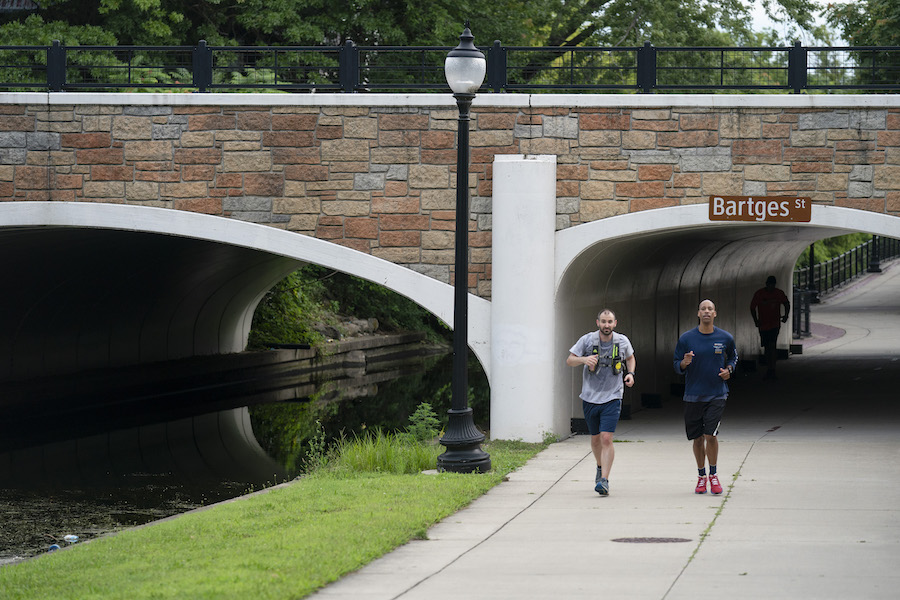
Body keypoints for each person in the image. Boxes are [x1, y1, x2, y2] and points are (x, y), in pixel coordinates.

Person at [567, 309, 636, 496]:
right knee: (596, 439)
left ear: (615, 323)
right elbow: (570, 360)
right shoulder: (588, 340)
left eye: (610, 322)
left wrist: (630, 374)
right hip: (590, 396)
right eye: (603, 321)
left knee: (606, 438)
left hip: (613, 396)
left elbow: (630, 358)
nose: (607, 325)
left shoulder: (622, 341)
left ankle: (604, 480)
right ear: (597, 322)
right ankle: (599, 466)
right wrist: (584, 359)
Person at [673, 299, 738, 496]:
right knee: (697, 438)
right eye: (703, 309)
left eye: (710, 309)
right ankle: (701, 477)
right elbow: (676, 363)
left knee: (711, 435)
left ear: (715, 313)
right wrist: (684, 363)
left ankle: (714, 475)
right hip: (693, 395)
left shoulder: (725, 337)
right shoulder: (686, 339)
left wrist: (729, 369)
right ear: (698, 313)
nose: (707, 312)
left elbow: (733, 357)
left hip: (717, 394)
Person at [749, 275, 790, 380]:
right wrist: (756, 320)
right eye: (769, 285)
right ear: (766, 284)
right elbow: (752, 307)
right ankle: (770, 368)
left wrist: (786, 315)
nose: (771, 287)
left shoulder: (778, 293)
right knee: (767, 347)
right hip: (763, 325)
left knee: (772, 345)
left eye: (772, 285)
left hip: (774, 324)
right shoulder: (760, 294)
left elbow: (786, 303)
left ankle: (772, 369)